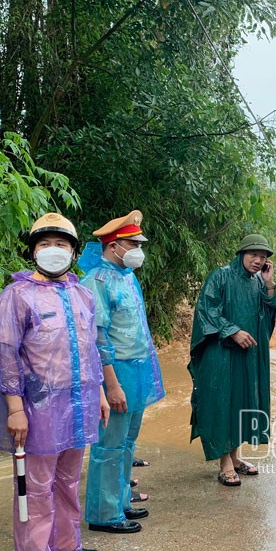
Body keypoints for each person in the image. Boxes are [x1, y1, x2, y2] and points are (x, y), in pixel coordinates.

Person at [0, 213, 110, 551]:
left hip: (78, 403)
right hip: (37, 407)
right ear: (33, 251)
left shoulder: (81, 294)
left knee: (69, 480)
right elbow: (4, 355)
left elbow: (91, 350)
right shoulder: (17, 296)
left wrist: (101, 393)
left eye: (61, 244)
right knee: (35, 487)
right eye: (45, 244)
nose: (53, 251)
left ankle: (65, 544)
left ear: (74, 252)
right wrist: (15, 407)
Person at [79, 210, 164, 533]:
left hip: (138, 369)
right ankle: (104, 513)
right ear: (114, 245)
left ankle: (121, 500)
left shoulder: (126, 276)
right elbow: (98, 339)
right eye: (133, 243)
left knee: (127, 442)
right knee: (109, 444)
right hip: (115, 373)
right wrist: (111, 386)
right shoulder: (96, 281)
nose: (139, 249)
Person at [189, 234, 276, 486]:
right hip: (221, 353)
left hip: (248, 355)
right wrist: (232, 330)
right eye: (254, 255)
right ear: (241, 254)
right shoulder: (220, 276)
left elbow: (273, 309)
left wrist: (270, 283)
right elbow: (206, 310)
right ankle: (225, 463)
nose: (257, 260)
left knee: (242, 402)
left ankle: (236, 457)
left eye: (263, 258)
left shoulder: (259, 282)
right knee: (222, 403)